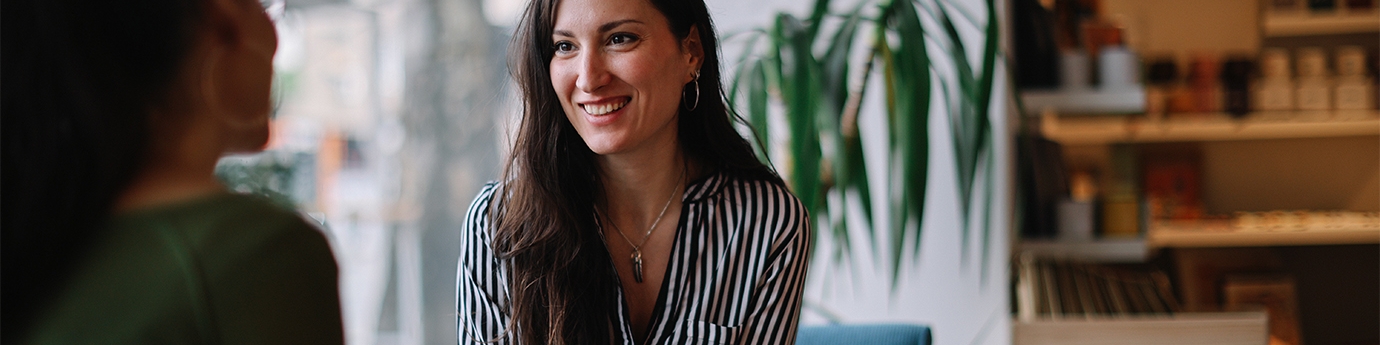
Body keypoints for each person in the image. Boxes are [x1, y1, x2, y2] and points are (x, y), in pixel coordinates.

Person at [455, 0, 811, 343]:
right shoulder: (498, 227)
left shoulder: (769, 224)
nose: (589, 79)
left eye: (619, 39)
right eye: (565, 46)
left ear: (691, 52)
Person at [2, 0, 345, 343]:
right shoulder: (257, 256)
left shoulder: (38, 231)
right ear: (224, 21)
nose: (274, 35)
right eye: (263, 7)